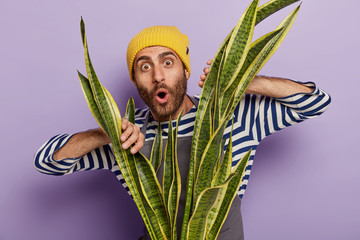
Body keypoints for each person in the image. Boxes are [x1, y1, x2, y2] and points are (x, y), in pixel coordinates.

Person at [34, 25, 331, 240]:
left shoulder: (233, 116)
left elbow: (316, 101)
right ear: (136, 80)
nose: (158, 75)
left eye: (168, 62)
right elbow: (48, 161)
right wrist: (107, 133)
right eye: (144, 66)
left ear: (185, 70)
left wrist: (245, 82)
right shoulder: (127, 134)